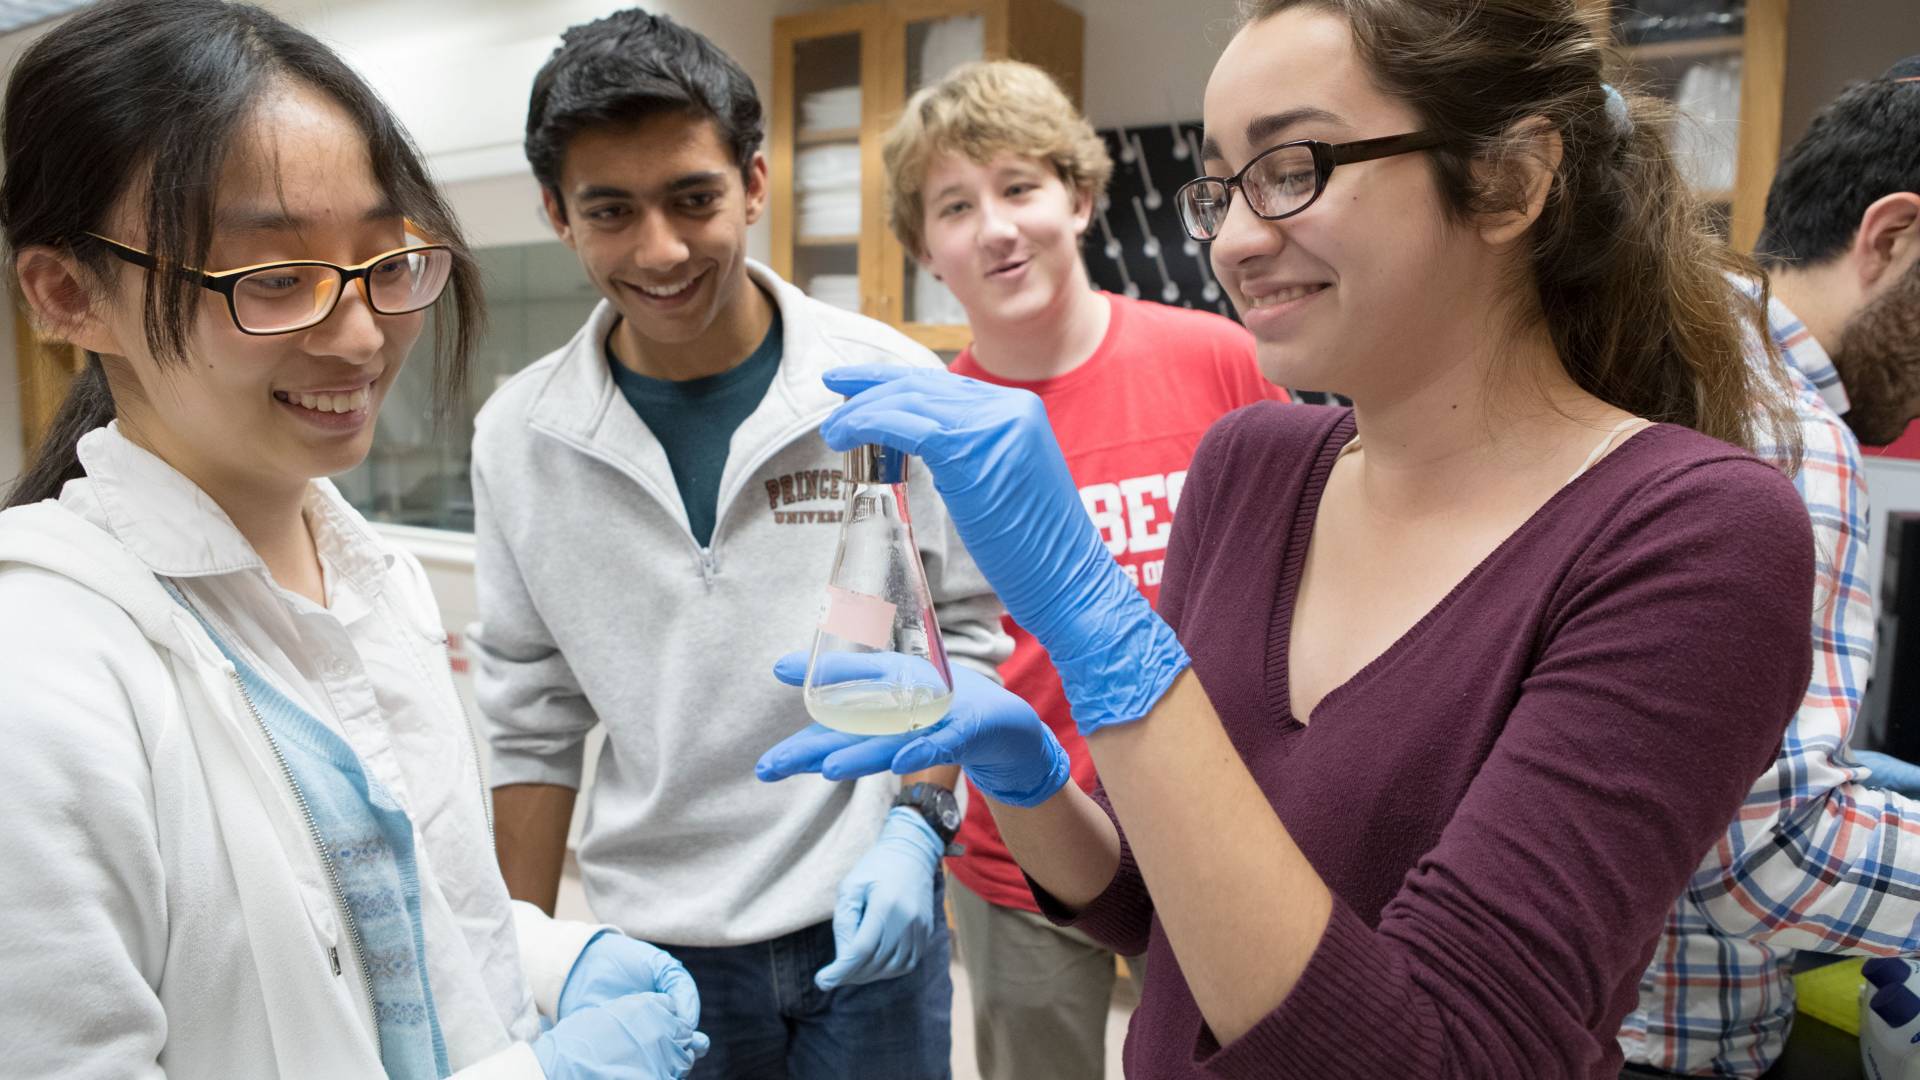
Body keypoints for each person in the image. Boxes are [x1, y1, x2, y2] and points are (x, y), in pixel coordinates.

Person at [758, 1, 1820, 1076]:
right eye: (1219, 189)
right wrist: (1028, 782)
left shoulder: (1693, 536)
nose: (1231, 241)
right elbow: (1156, 907)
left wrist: (1097, 623)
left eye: (1292, 169)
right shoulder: (1251, 467)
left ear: (1506, 179)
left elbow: (1441, 1056)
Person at [0, 1, 707, 1077]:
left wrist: (553, 959)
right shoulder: (41, 678)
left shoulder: (374, 578)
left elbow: (396, 904)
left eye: (386, 260)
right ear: (68, 295)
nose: (363, 334)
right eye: (273, 279)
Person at [473, 11, 1009, 1079]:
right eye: (610, 211)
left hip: (864, 919)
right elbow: (532, 723)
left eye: (693, 199)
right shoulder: (521, 436)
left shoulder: (881, 383)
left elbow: (957, 635)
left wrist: (919, 826)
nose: (660, 250)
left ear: (754, 184)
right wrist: (512, 977)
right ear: (557, 215)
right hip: (651, 944)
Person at [879, 58, 1286, 1080]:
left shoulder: (1220, 360)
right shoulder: (922, 430)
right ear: (924, 249)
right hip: (1017, 853)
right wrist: (907, 818)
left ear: (1080, 197)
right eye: (955, 207)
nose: (996, 228)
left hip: (1215, 830)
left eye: (1020, 187)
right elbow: (890, 632)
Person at [1621, 57, 1920, 1078]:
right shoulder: (1789, 430)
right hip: (1666, 1048)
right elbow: (1766, 858)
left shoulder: (1676, 351)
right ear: (1891, 237)